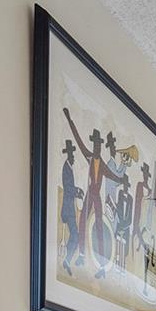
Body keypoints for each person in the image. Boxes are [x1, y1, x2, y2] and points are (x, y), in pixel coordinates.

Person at [61, 108, 127, 277]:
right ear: (93, 145)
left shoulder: (102, 163)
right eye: (95, 144)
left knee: (98, 225)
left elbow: (112, 175)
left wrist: (122, 180)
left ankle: (102, 265)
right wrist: (69, 119)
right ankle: (82, 255)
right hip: (90, 194)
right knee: (83, 220)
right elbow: (78, 140)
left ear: (100, 147)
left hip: (96, 196)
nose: (96, 147)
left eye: (98, 145)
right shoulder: (90, 157)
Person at [59, 139, 83, 269]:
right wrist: (77, 191)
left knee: (75, 235)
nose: (74, 158)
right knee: (75, 234)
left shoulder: (69, 168)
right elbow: (68, 188)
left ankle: (67, 260)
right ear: (69, 155)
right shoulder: (66, 168)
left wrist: (77, 191)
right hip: (67, 210)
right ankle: (67, 260)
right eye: (72, 156)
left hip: (70, 209)